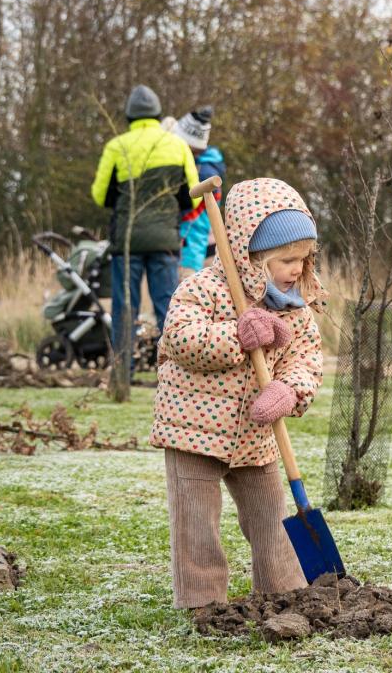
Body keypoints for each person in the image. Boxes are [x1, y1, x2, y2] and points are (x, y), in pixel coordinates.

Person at [149, 177, 325, 616]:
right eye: (287, 260)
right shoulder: (204, 289)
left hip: (256, 433)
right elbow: (181, 339)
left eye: (304, 260)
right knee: (196, 523)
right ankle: (203, 602)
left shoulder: (295, 306)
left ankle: (283, 591)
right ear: (252, 255)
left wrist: (289, 390)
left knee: (271, 517)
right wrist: (237, 334)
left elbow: (305, 359)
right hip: (193, 428)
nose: (297, 270)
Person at [91, 85, 200, 356]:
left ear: (128, 117)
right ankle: (172, 371)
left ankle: (122, 373)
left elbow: (100, 195)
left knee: (125, 307)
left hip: (127, 242)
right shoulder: (177, 145)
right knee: (167, 306)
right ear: (158, 114)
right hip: (165, 239)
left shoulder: (116, 147)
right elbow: (193, 197)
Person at [167, 106, 227, 279]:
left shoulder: (202, 173)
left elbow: (194, 221)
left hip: (192, 251)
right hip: (204, 245)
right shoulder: (208, 165)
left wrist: (189, 263)